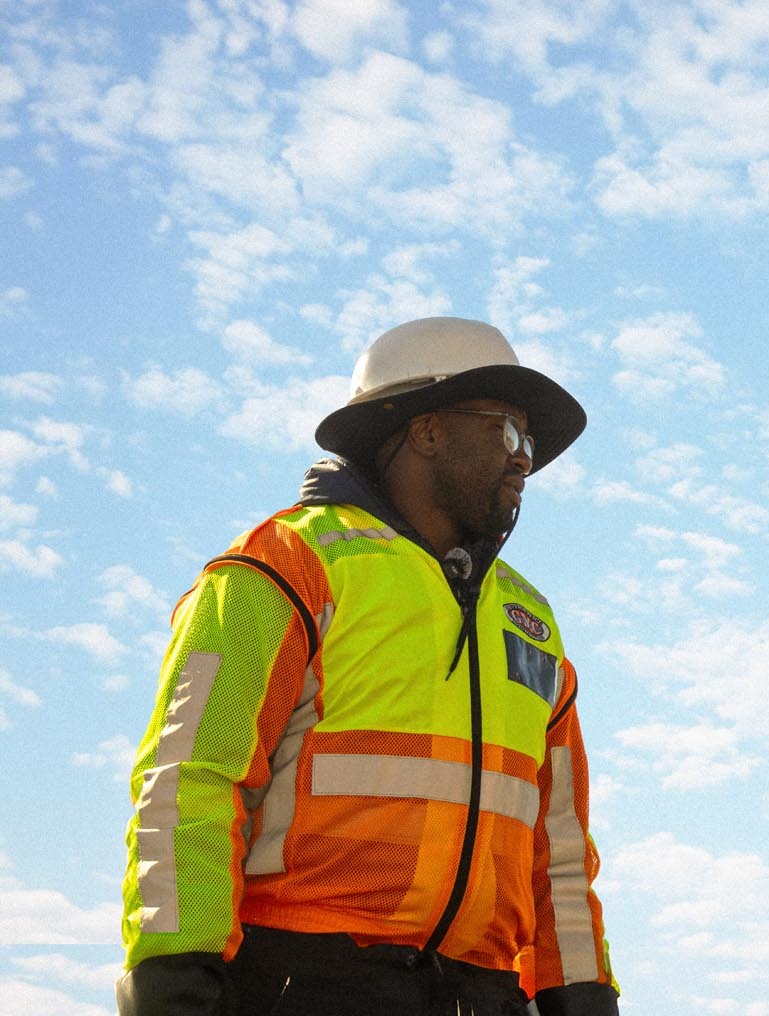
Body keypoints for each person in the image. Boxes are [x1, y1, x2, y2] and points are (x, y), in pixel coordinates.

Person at [117, 316, 620, 1016]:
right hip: (303, 983)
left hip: (485, 995)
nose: (522, 460)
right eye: (505, 431)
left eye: (528, 443)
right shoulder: (285, 566)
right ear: (427, 430)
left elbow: (559, 850)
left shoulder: (529, 621)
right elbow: (191, 783)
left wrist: (583, 995)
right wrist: (172, 974)